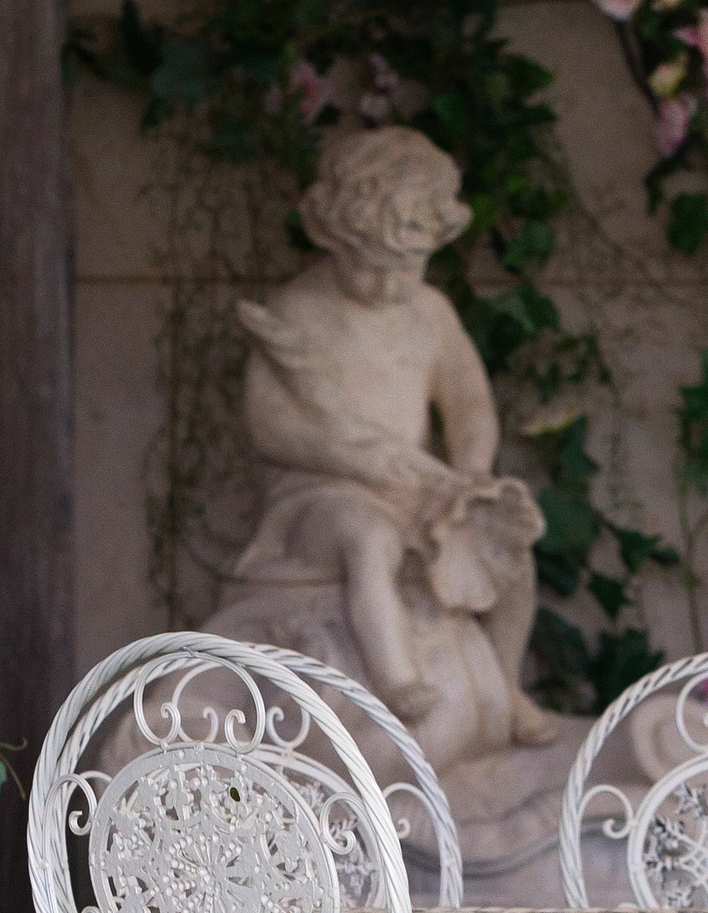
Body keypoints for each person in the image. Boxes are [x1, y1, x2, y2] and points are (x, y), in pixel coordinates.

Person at [226, 126, 555, 745]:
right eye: (370, 267)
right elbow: (271, 427)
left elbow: (468, 402)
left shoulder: (430, 313)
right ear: (332, 239)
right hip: (319, 496)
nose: (388, 286)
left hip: (416, 484)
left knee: (513, 556)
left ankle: (508, 687)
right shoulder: (297, 310)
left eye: (407, 265)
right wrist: (352, 457)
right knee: (369, 538)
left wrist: (473, 471)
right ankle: (397, 679)